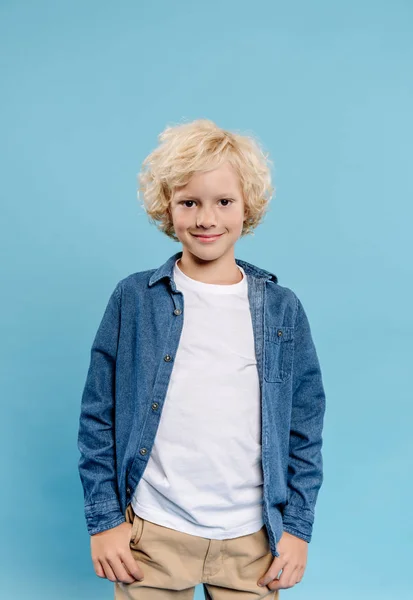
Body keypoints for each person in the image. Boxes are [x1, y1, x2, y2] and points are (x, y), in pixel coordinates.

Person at [77, 118, 326, 599]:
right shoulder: (134, 299)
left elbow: (305, 424)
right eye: (189, 202)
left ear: (247, 206)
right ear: (166, 208)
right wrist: (104, 520)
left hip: (253, 541)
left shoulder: (281, 308)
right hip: (153, 532)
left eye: (223, 202)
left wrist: (297, 528)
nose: (206, 218)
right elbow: (97, 416)